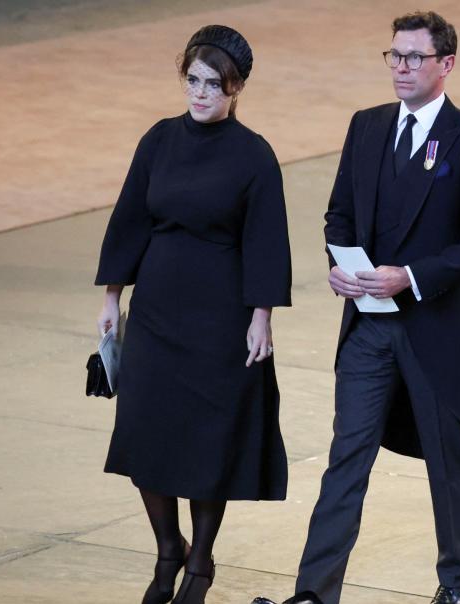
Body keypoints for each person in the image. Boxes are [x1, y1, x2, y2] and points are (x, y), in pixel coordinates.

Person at [252, 11, 460, 604]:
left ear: (446, 64)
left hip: (436, 331)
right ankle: (315, 593)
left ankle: (457, 589)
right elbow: (339, 212)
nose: (402, 67)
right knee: (346, 459)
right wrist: (339, 264)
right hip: (368, 327)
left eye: (415, 57)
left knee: (449, 467)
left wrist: (411, 277)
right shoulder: (365, 127)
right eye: (394, 56)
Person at [95, 24, 292, 603]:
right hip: (157, 308)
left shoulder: (254, 156)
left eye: (214, 84)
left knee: (211, 441)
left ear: (236, 89)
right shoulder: (158, 140)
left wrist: (262, 316)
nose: (200, 93)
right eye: (193, 80)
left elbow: (266, 241)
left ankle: (201, 563)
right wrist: (111, 297)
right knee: (146, 432)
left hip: (221, 316)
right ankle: (168, 552)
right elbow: (130, 217)